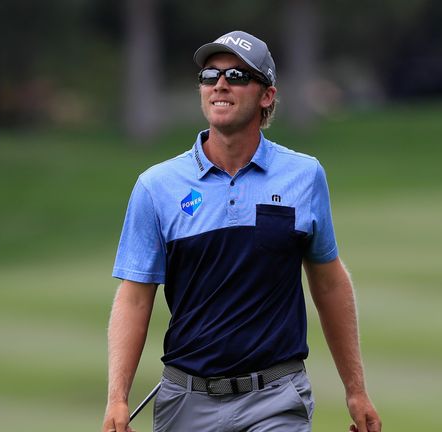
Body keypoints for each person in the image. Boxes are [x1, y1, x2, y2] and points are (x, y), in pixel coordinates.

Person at [101, 30, 382, 432]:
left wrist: (355, 390)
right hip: (187, 401)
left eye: (236, 75)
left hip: (276, 396)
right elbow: (134, 298)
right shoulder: (157, 186)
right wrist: (117, 398)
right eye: (209, 76)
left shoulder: (303, 175)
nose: (219, 84)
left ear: (266, 95)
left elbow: (330, 283)